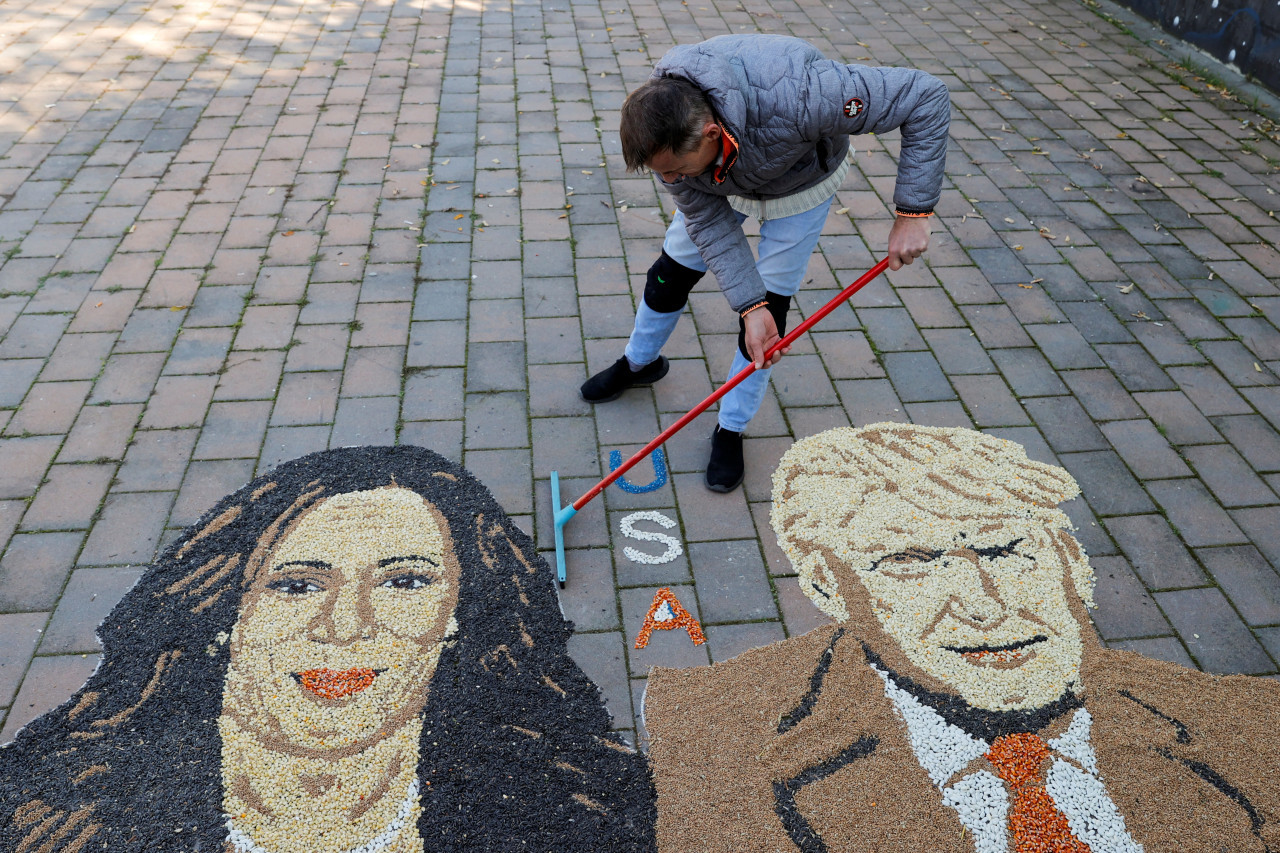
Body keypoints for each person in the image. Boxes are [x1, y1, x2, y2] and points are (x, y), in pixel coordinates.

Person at [644, 424, 1280, 852]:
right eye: (908, 562)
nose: (984, 606)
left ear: (1068, 558)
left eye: (1006, 551)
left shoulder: (1250, 719)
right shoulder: (707, 724)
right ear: (827, 584)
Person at [0, 446, 656, 853]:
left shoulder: (583, 810)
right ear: (229, 611)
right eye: (296, 584)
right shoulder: (55, 814)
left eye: (404, 581)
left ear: (458, 615)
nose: (344, 626)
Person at [580, 35, 950, 492]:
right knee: (669, 274)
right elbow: (710, 224)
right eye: (661, 173)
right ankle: (639, 363)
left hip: (799, 185)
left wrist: (913, 212)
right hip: (719, 182)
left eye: (673, 170)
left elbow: (925, 95)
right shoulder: (669, 131)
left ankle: (730, 427)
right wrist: (745, 302)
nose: (668, 181)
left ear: (711, 134)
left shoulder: (809, 95)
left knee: (769, 317)